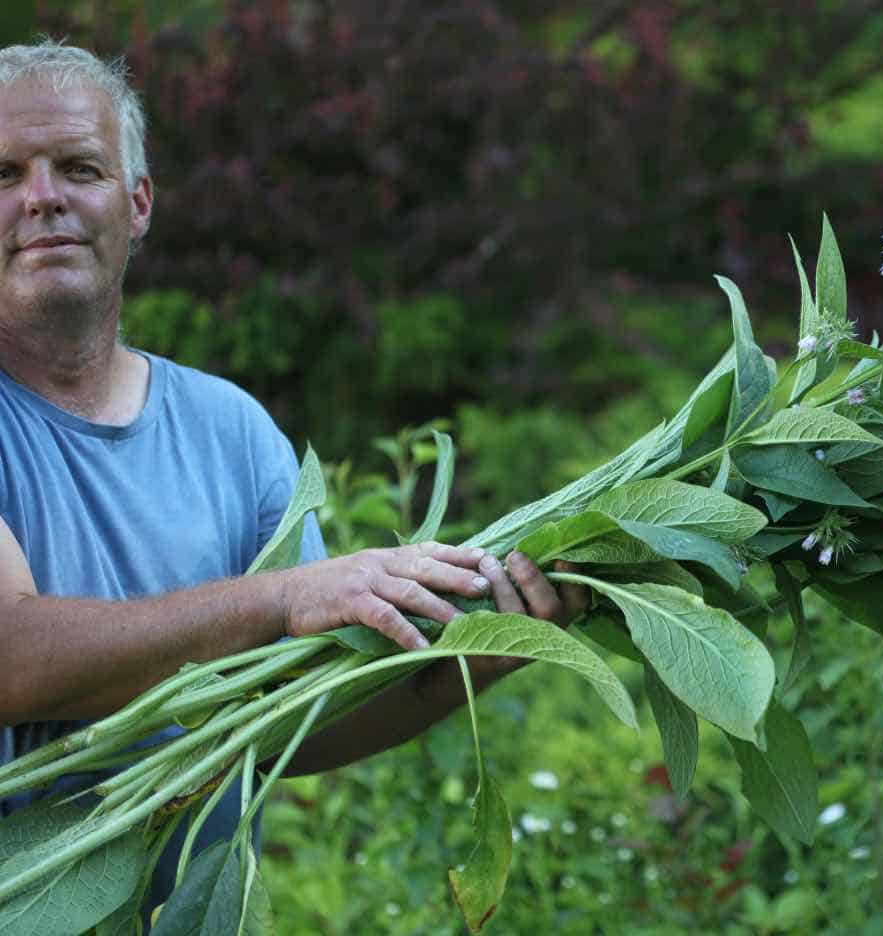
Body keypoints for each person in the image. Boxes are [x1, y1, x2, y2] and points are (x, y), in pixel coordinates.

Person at [0, 39, 587, 916]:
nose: (41, 198)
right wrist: (282, 598)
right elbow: (13, 657)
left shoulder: (232, 431)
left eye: (79, 168)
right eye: (4, 174)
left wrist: (480, 651)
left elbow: (290, 724)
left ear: (139, 201)